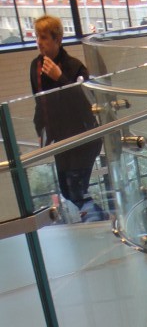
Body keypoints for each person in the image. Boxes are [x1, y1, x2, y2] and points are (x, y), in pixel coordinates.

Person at [30, 15, 105, 220]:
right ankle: (100, 218)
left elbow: (86, 102)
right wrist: (40, 130)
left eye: (44, 37)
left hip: (83, 138)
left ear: (58, 39)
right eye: (37, 37)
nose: (39, 42)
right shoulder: (36, 66)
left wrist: (60, 78)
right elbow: (40, 102)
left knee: (76, 189)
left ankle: (98, 219)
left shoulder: (75, 67)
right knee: (67, 190)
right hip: (61, 139)